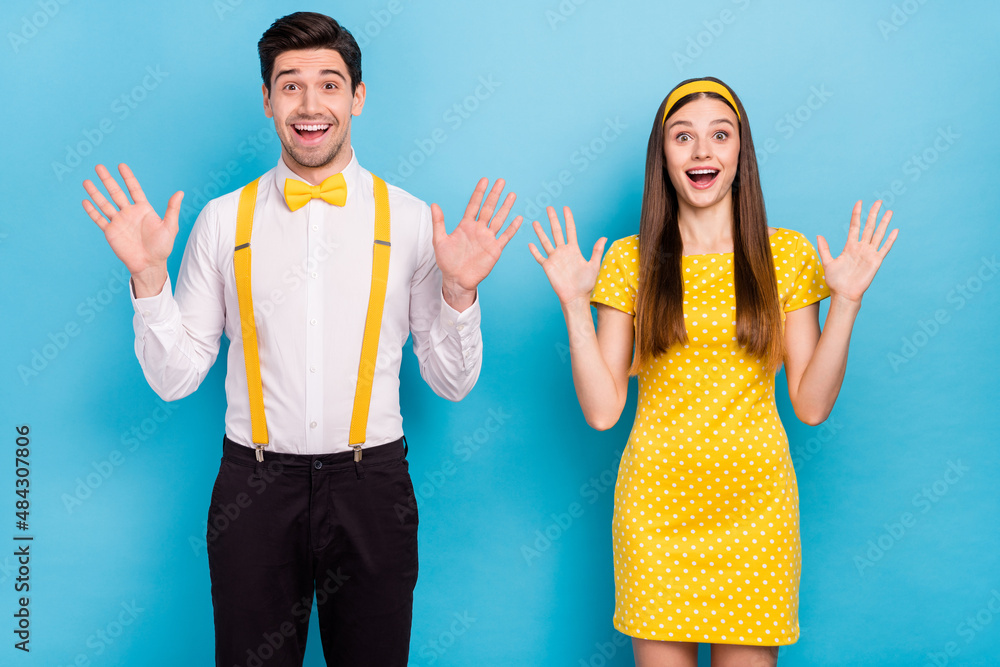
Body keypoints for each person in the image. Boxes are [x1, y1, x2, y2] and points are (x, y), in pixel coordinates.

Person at [80, 12, 521, 667]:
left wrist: (459, 294)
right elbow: (175, 378)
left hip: (373, 487)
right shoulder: (222, 220)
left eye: (329, 84)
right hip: (253, 490)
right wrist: (148, 279)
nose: (310, 104)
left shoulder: (408, 221)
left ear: (357, 96)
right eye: (290, 85)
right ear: (266, 100)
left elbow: (451, 381)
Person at [529, 77, 897, 666]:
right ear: (664, 157)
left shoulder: (787, 256)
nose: (702, 151)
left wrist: (846, 303)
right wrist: (575, 305)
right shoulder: (629, 260)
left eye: (719, 136)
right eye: (684, 137)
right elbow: (602, 411)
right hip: (657, 514)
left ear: (739, 154)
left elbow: (811, 404)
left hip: (756, 513)